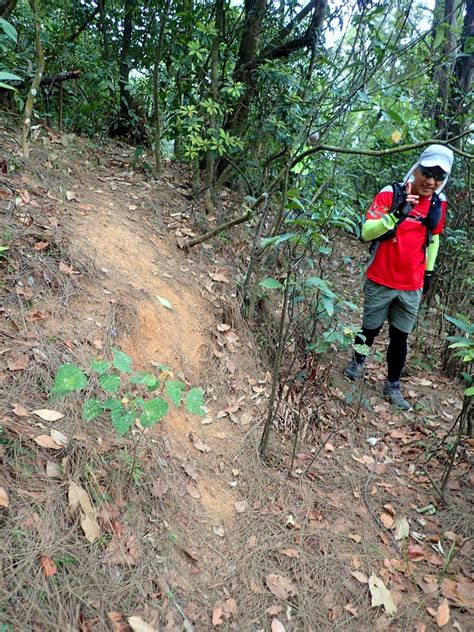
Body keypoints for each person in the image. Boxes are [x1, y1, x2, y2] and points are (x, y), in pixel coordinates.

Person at [344, 144, 454, 410]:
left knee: (400, 337)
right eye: (427, 173)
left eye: (439, 177)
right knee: (370, 328)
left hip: (412, 283)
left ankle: (392, 385)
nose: (431, 181)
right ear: (416, 169)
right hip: (381, 277)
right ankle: (357, 363)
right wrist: (395, 215)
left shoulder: (438, 202)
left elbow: (434, 238)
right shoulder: (391, 193)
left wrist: (428, 272)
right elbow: (367, 232)